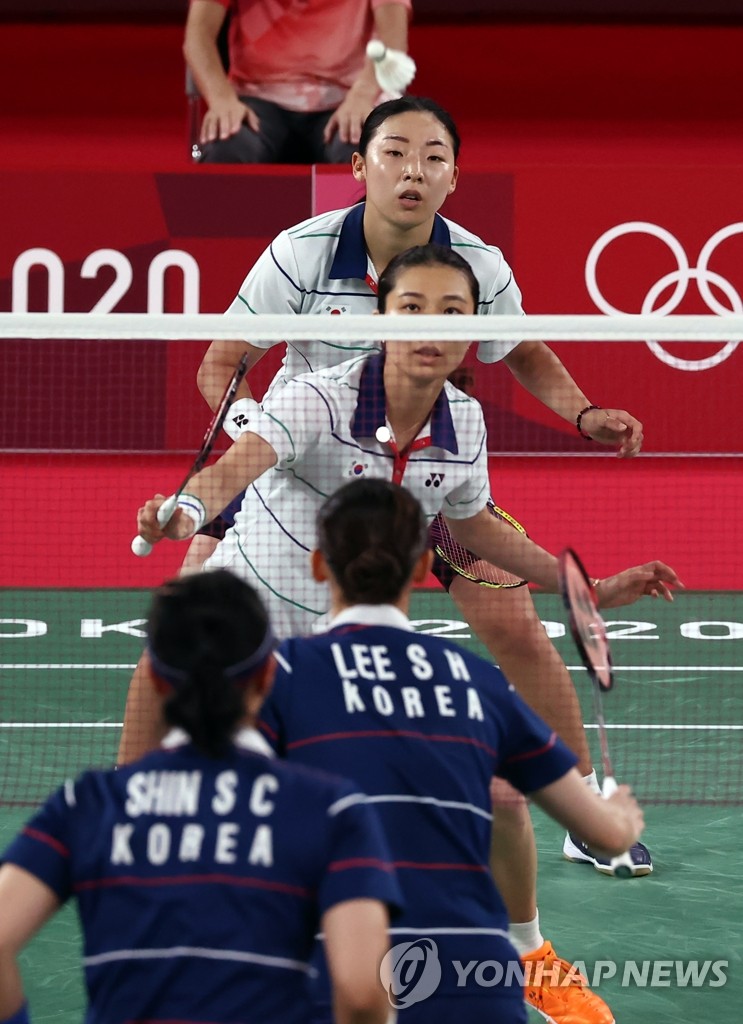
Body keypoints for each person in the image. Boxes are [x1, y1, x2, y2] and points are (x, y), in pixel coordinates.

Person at [260, 477, 646, 1024]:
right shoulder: (476, 682)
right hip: (468, 974)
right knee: (504, 795)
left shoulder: (276, 677)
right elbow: (606, 830)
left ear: (319, 565)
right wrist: (618, 817)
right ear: (423, 569)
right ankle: (528, 952)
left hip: (314, 959)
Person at [0, 571, 399, 1024]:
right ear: (268, 674)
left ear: (154, 678)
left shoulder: (88, 804)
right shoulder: (329, 809)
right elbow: (364, 995)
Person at [184, 0, 412, 164]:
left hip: (346, 100)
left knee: (369, 157)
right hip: (256, 100)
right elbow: (198, 36)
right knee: (226, 149)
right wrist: (221, 99)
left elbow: (393, 41)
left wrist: (362, 96)